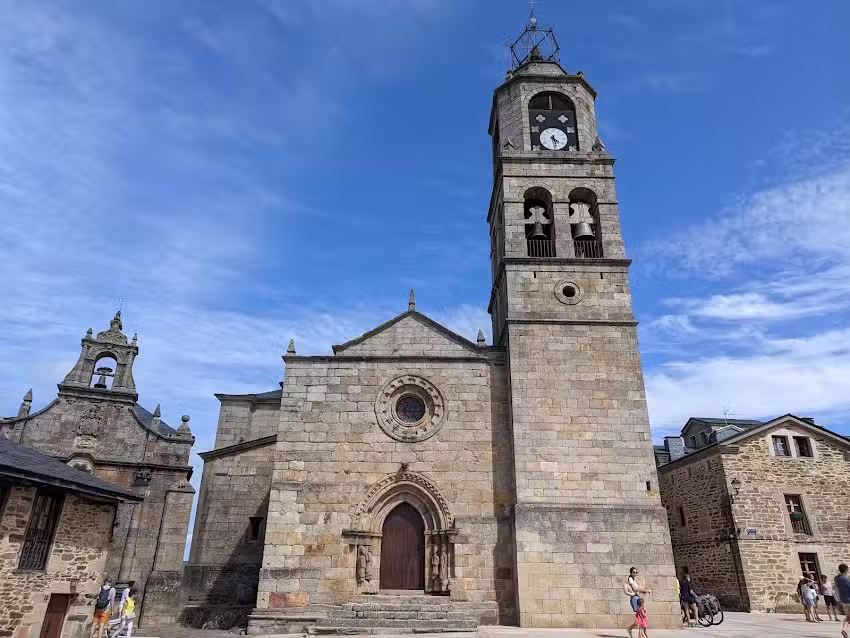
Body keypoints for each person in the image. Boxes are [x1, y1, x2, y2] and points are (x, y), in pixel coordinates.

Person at [834, 564, 850, 638]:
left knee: (848, 617)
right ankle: (844, 630)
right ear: (846, 570)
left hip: (843, 600)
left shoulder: (837, 579)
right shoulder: (846, 579)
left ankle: (844, 629)